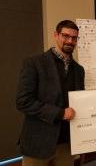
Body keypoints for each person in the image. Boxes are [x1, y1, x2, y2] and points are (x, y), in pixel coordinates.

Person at [16, 20, 85, 166]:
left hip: (67, 144)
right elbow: (23, 101)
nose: (70, 41)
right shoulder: (34, 63)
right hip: (37, 142)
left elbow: (80, 102)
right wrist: (60, 113)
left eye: (74, 38)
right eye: (65, 36)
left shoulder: (79, 70)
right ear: (56, 35)